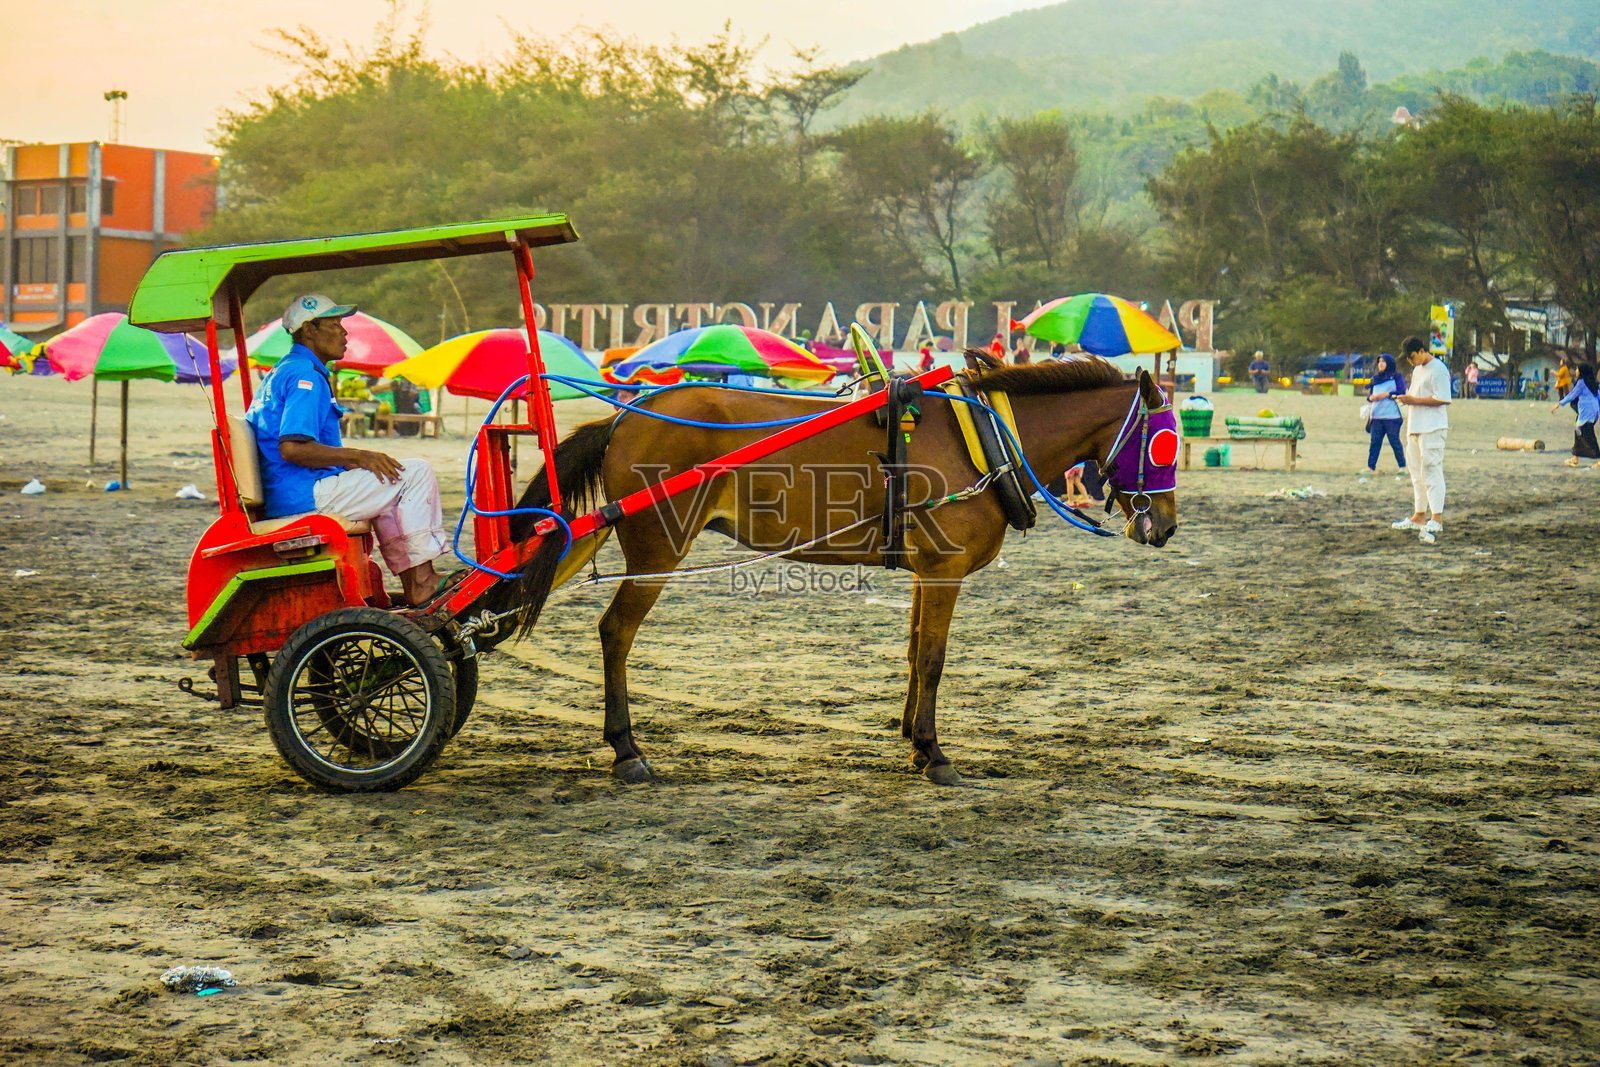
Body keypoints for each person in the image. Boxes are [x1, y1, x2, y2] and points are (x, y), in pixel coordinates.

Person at [246, 294, 449, 605]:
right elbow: (292, 448)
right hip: (302, 493)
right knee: (415, 473)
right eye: (335, 324)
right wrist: (359, 456)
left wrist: (360, 462)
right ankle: (421, 580)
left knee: (388, 478)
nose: (344, 332)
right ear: (309, 330)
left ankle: (416, 583)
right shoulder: (304, 375)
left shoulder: (285, 370)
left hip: (289, 490)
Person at [1391, 336, 1451, 545]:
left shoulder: (1439, 369)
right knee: (1416, 472)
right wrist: (1404, 401)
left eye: (1412, 357)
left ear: (1421, 350)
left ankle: (1437, 517)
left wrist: (1413, 400)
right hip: (1415, 426)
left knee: (1431, 468)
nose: (1411, 362)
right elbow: (1416, 396)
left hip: (1433, 427)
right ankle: (1419, 515)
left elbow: (1443, 398)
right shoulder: (1417, 371)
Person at [1550, 361, 1600, 467]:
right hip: (1593, 413)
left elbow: (1572, 395)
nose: (1576, 371)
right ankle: (1575, 457)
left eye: (1577, 369)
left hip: (1586, 413)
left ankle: (1599, 459)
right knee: (1578, 432)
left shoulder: (1582, 382)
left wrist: (1558, 404)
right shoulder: (1592, 383)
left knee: (1587, 434)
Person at [1365, 353, 1407, 475]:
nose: (1381, 364)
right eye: (1379, 362)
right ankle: (1370, 467)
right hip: (1376, 415)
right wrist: (1371, 397)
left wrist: (1386, 395)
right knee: (1375, 442)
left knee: (1394, 441)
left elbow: (1401, 392)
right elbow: (1370, 395)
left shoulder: (1396, 376)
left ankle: (1402, 467)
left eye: (1383, 361)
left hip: (1392, 416)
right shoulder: (1375, 378)